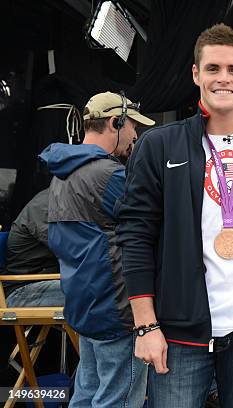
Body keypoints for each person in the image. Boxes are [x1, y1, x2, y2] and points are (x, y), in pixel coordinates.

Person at [114, 24, 233, 408]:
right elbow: (134, 236)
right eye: (213, 69)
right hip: (179, 329)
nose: (224, 78)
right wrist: (146, 325)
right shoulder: (160, 145)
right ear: (196, 74)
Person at [39, 91, 155, 408]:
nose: (135, 136)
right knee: (117, 401)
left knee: (86, 396)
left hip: (85, 305)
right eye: (133, 126)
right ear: (114, 122)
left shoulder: (62, 173)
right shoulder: (109, 175)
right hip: (117, 309)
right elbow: (152, 228)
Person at [1, 188, 63, 307]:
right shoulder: (47, 205)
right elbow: (72, 249)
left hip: (44, 279)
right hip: (22, 291)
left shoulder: (61, 200)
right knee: (98, 291)